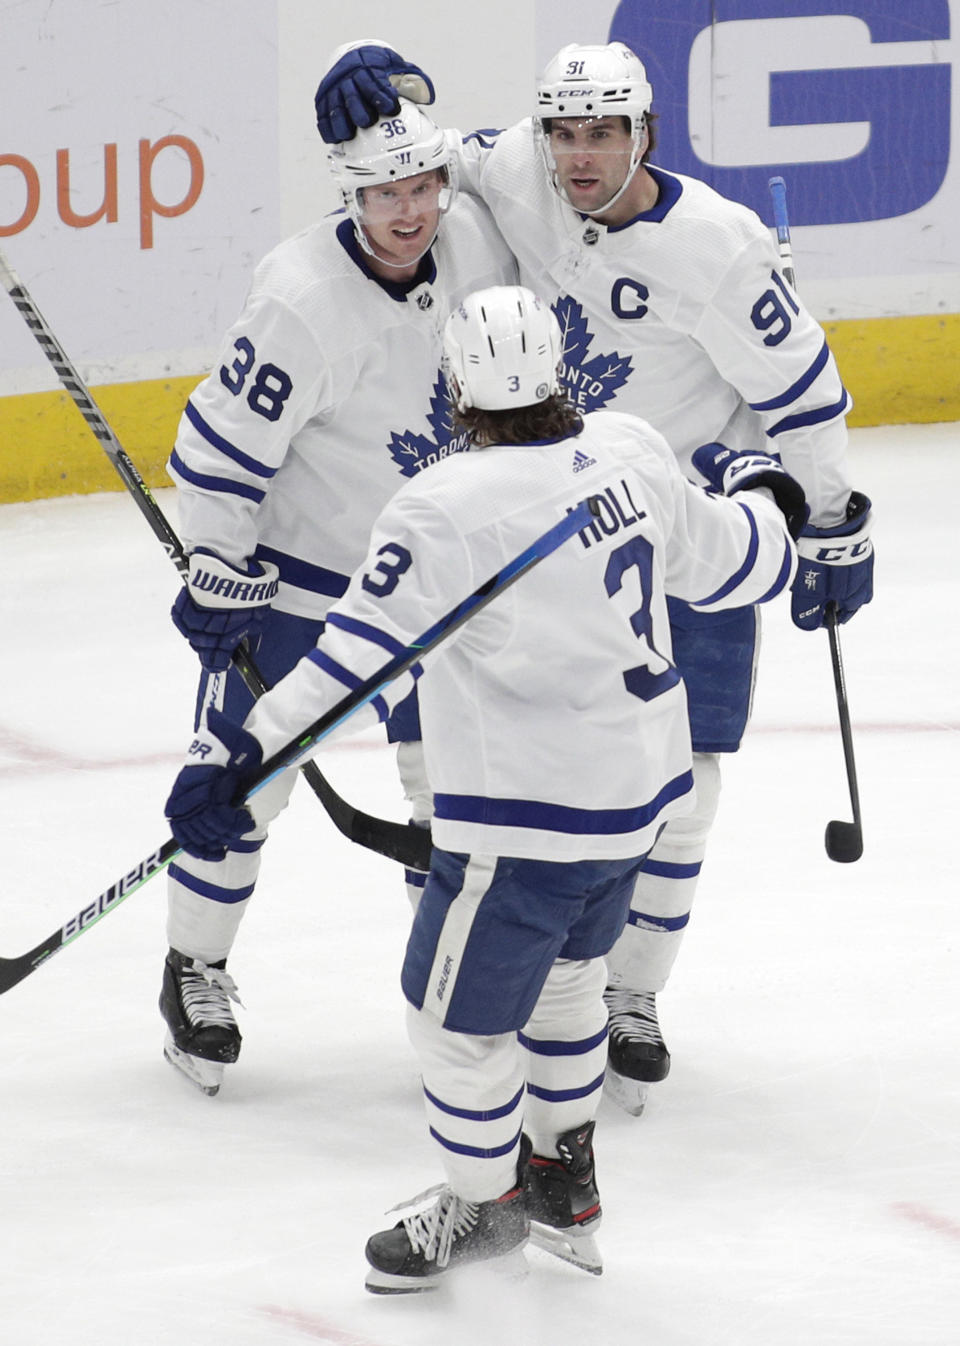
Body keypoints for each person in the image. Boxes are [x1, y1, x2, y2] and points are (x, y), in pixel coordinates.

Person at [164, 284, 807, 1291]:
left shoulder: (439, 508)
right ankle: (565, 1176)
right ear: (561, 371)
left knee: (450, 1021)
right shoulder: (634, 449)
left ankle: (482, 1203)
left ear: (456, 385)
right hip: (639, 804)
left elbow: (351, 664)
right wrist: (768, 485)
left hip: (525, 824)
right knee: (567, 985)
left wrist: (235, 760)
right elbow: (739, 566)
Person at [312, 39, 876, 1113]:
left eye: (604, 132)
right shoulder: (515, 163)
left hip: (683, 515)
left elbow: (805, 394)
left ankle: (631, 994)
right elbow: (410, 165)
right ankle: (500, 977)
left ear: (644, 133)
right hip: (544, 515)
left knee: (687, 793)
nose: (580, 156)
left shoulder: (720, 246)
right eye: (564, 132)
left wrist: (834, 519)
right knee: (477, 774)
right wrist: (366, 85)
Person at [160, 90, 517, 1095]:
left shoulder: (476, 248)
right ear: (348, 194)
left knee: (454, 802)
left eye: (422, 186)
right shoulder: (301, 298)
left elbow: (529, 159)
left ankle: (453, 992)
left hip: (440, 589)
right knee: (238, 786)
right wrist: (219, 572)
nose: (409, 210)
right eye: (384, 191)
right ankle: (195, 965)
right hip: (305, 590)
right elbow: (219, 451)